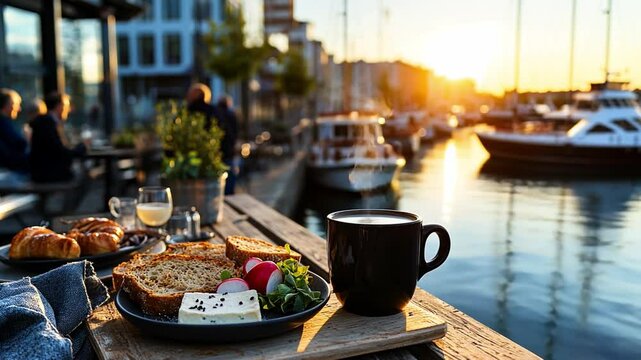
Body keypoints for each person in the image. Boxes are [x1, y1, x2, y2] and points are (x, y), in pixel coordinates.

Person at [29, 92, 87, 183]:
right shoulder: (47, 123)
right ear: (59, 106)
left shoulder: (47, 121)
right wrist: (81, 148)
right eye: (67, 106)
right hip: (48, 174)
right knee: (85, 175)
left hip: (45, 172)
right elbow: (59, 150)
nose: (69, 110)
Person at [0, 88, 29, 174]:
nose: (19, 109)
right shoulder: (3, 124)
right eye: (16, 104)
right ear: (6, 105)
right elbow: (18, 145)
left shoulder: (6, 123)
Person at [215, 96, 238, 195]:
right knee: (230, 173)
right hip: (228, 151)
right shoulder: (231, 115)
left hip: (218, 151)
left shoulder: (215, 113)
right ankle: (229, 194)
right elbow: (235, 133)